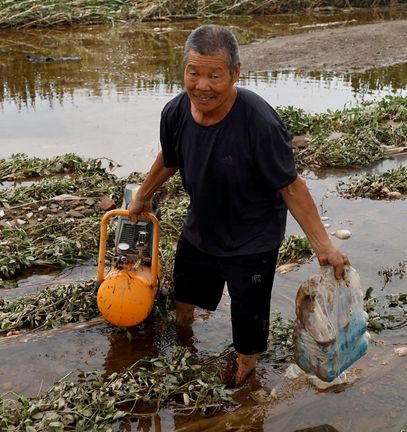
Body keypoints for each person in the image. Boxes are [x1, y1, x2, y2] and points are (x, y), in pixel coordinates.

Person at [128, 24, 349, 386]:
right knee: (183, 302)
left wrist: (324, 246)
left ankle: (245, 380)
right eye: (193, 73)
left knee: (248, 327)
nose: (202, 86)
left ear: (235, 73)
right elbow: (170, 158)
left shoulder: (259, 122)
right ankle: (186, 354)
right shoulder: (175, 112)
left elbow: (291, 187)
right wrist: (143, 195)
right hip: (201, 227)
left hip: (252, 239)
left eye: (215, 75)